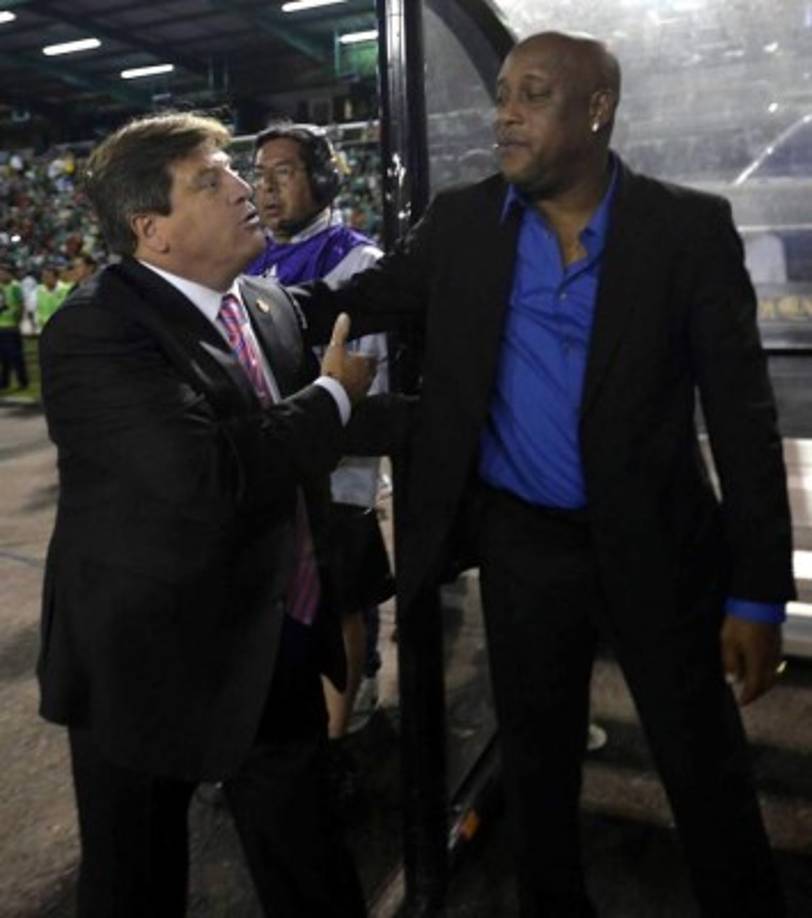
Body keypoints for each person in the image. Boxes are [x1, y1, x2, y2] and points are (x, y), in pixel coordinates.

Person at [294, 32, 796, 918]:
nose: (504, 115)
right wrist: (223, 293)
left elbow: (744, 421)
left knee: (703, 772)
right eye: (500, 95)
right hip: (525, 547)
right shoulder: (459, 225)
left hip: (659, 549)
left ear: (596, 109)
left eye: (531, 95)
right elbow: (352, 298)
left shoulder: (686, 230)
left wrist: (755, 596)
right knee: (537, 774)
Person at [37, 111, 376, 918]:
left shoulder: (262, 302)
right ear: (150, 229)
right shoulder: (94, 330)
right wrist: (333, 396)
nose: (241, 186)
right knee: (136, 883)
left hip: (270, 639)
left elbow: (359, 308)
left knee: (314, 871)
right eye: (210, 179)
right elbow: (205, 473)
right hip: (146, 662)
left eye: (233, 170)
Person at [248, 122, 392, 744]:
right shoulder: (248, 254)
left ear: (326, 179)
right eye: (260, 174)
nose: (267, 188)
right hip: (274, 463)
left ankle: (344, 730)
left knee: (343, 601)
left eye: (283, 172)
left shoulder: (358, 259)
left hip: (337, 474)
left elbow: (368, 379)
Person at [0, 262, 29, 390]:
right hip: (1, 327)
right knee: (3, 358)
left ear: (9, 274)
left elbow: (21, 305)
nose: (1, 275)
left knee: (16, 357)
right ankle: (4, 382)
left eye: (3, 272)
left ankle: (23, 381)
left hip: (11, 327)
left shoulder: (15, 286)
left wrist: (17, 321)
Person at [35, 263, 70, 330]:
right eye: (43, 276)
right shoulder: (39, 290)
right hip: (44, 327)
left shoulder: (66, 290)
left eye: (48, 277)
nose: (45, 279)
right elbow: (37, 309)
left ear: (56, 278)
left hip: (62, 327)